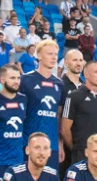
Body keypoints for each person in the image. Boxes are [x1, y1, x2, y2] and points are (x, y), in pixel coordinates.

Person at [18, 39, 66, 170]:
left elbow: (59, 115)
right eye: (50, 54)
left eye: (56, 54)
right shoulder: (25, 80)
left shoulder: (60, 84)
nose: (54, 57)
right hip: (28, 144)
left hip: (52, 146)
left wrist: (60, 143)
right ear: (39, 56)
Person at [60, 60, 97, 167]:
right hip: (82, 155)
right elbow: (64, 129)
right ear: (86, 74)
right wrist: (77, 148)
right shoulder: (74, 96)